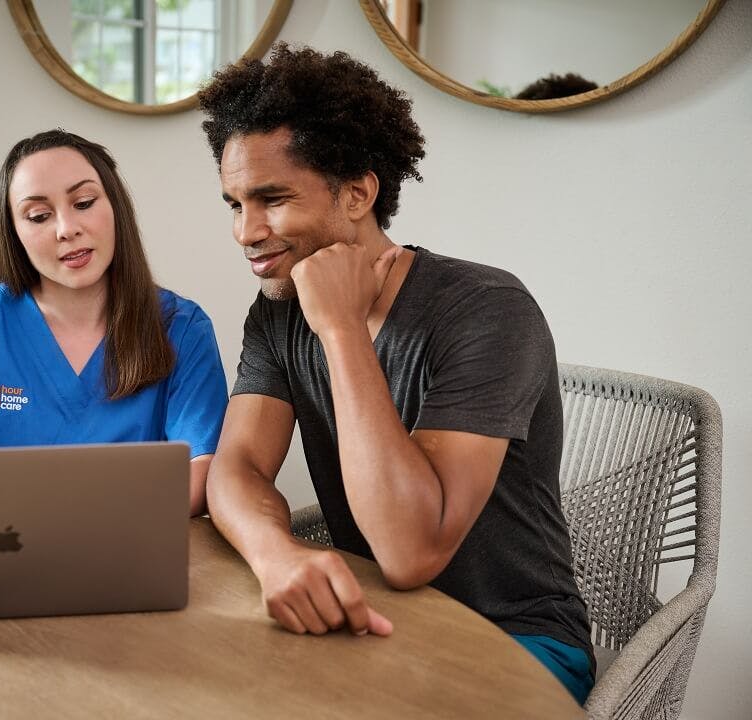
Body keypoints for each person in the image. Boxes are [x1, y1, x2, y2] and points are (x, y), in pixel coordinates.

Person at [197, 44, 595, 704]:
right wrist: (276, 555)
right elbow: (236, 468)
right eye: (234, 204)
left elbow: (411, 553)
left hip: (514, 641)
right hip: (375, 623)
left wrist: (342, 329)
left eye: (271, 199)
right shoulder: (278, 311)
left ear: (358, 193)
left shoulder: (488, 309)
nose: (246, 231)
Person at [0, 130, 228, 517]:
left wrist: (93, 522)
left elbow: (202, 469)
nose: (66, 229)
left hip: (126, 540)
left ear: (116, 206)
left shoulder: (182, 328)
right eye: (39, 216)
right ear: (15, 233)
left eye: (83, 203)